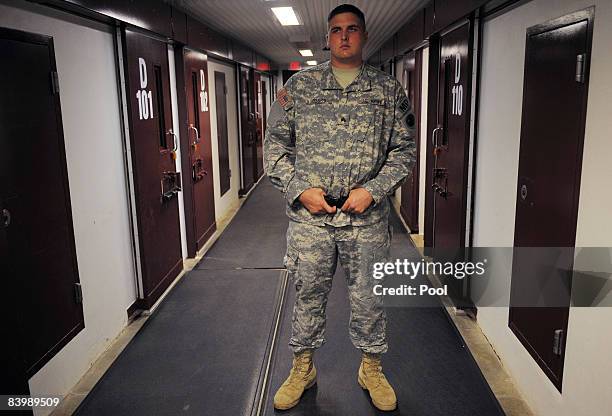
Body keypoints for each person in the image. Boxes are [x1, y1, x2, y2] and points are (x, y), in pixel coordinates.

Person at [264, 3, 416, 412]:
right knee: (308, 294)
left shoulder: (388, 91)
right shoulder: (299, 88)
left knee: (368, 296)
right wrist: (299, 190)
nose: (344, 36)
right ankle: (302, 368)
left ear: (364, 36)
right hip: (311, 220)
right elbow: (274, 149)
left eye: (352, 29)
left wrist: (375, 190)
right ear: (327, 38)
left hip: (364, 219)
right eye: (336, 30)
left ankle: (371, 367)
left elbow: (404, 152)